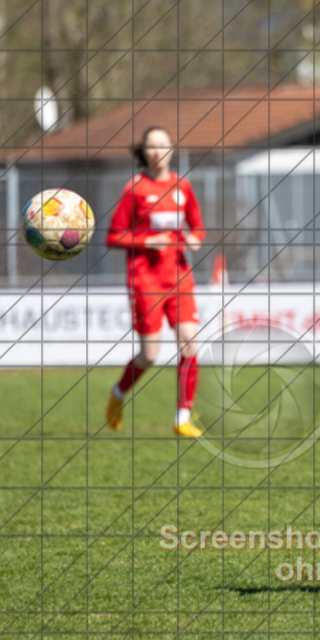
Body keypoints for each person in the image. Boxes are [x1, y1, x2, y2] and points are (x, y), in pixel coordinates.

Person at [105, 125, 205, 437]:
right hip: (145, 280)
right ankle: (119, 393)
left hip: (178, 277)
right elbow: (113, 235)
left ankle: (182, 418)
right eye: (151, 146)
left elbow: (198, 227)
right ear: (144, 152)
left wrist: (193, 238)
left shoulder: (183, 186)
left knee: (190, 344)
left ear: (172, 149)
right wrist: (147, 242)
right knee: (150, 355)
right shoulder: (134, 189)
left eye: (163, 145)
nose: (158, 151)